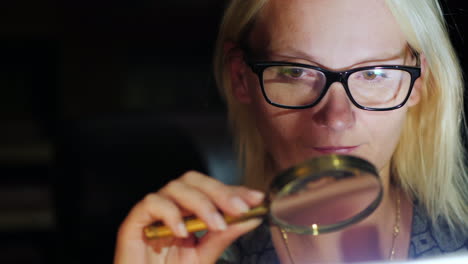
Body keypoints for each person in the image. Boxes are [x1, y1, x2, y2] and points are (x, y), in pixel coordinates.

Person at [114, 0, 468, 263]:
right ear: (241, 77)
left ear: (419, 82)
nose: (336, 117)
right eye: (295, 72)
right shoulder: (192, 254)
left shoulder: (460, 241)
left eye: (373, 74)